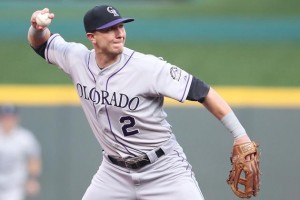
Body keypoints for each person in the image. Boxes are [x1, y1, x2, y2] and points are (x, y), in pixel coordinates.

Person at [27, 5, 256, 200]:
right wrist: (37, 28)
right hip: (113, 172)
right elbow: (40, 44)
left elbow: (203, 91)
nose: (119, 34)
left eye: (121, 26)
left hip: (164, 169)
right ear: (92, 37)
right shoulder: (76, 59)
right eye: (110, 29)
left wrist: (240, 134)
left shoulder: (147, 67)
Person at [0, 104, 42, 200]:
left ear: (16, 118)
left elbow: (34, 160)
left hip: (14, 187)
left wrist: (33, 180)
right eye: (5, 117)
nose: (8, 120)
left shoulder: (24, 138)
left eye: (11, 117)